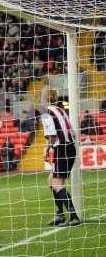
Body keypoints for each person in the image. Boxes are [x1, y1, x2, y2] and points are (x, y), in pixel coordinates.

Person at [41, 88, 81, 227]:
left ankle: (74, 216)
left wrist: (46, 150)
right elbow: (70, 132)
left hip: (62, 149)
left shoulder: (46, 112)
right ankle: (59, 214)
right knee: (51, 180)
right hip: (70, 147)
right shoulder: (61, 110)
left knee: (57, 184)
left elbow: (52, 136)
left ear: (45, 98)